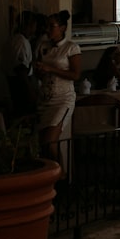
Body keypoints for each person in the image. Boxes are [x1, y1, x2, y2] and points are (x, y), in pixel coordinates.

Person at [33, 10, 81, 164]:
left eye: (51, 26)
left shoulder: (71, 47)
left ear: (62, 28)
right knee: (43, 144)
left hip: (63, 99)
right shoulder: (43, 46)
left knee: (50, 141)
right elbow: (40, 74)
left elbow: (75, 75)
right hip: (45, 98)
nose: (47, 30)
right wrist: (39, 70)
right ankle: (54, 177)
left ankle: (60, 176)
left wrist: (51, 69)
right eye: (46, 26)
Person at [4, 9, 39, 117]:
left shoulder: (20, 40)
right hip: (21, 88)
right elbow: (21, 70)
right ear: (31, 25)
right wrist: (31, 93)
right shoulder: (20, 42)